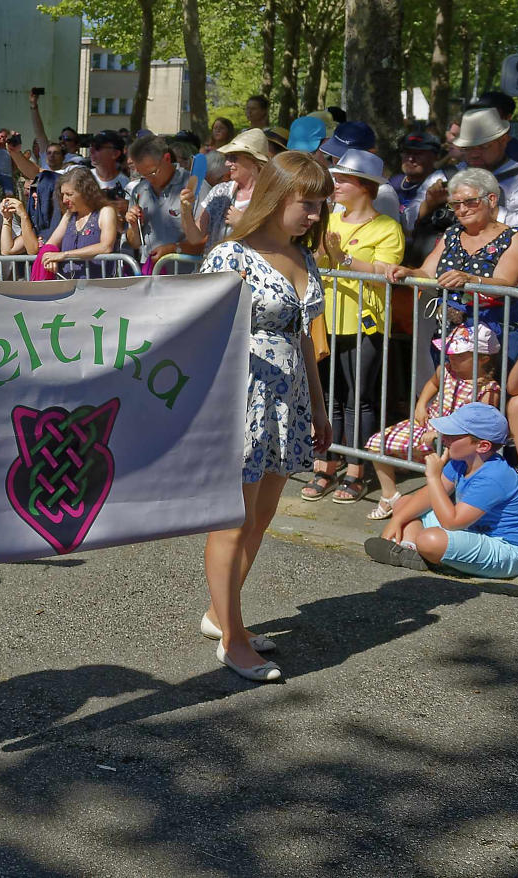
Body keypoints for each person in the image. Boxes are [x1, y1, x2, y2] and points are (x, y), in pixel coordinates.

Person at [198, 152, 333, 682]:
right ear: (279, 198)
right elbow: (199, 334)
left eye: (321, 205)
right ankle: (233, 639)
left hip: (290, 401)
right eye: (310, 204)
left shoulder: (306, 259)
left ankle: (221, 614)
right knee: (231, 520)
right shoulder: (231, 256)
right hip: (241, 399)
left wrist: (318, 409)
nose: (317, 215)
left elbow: (305, 341)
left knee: (259, 517)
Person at [302, 149, 404, 503]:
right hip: (325, 320)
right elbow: (313, 260)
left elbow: (384, 274)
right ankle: (324, 463)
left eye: (342, 179)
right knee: (327, 396)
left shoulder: (387, 227)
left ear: (364, 186)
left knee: (357, 400)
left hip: (363, 323)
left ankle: (357, 470)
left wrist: (343, 257)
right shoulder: (328, 219)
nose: (335, 185)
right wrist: (320, 252)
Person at [384, 168, 518, 389]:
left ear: (491, 199)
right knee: (452, 394)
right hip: (453, 332)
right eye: (455, 204)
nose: (461, 209)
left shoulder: (514, 237)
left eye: (469, 202)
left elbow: (508, 282)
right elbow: (427, 272)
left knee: (495, 395)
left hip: (498, 333)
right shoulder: (452, 234)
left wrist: (470, 279)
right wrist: (408, 272)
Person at [366, 403, 518, 579]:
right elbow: (430, 496)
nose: (444, 438)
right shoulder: (461, 460)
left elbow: (452, 522)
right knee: (404, 504)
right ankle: (410, 549)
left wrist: (433, 477)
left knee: (430, 540)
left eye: (453, 435)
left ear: (482, 446)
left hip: (508, 549)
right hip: (473, 530)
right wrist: (397, 520)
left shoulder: (493, 476)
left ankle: (422, 549)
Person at [355, 325, 500, 522]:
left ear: (483, 358)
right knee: (376, 443)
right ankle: (390, 496)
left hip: (456, 439)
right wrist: (421, 404)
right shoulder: (445, 370)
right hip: (429, 424)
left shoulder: (489, 389)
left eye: (459, 355)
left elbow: (480, 427)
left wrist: (445, 435)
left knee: (447, 467)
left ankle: (435, 504)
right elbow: (432, 383)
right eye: (449, 353)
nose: (451, 358)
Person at [6, 168, 122, 278]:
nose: (64, 200)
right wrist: (50, 256)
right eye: (62, 195)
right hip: (69, 289)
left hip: (98, 289)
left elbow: (106, 247)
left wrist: (64, 255)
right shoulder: (69, 215)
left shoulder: (105, 212)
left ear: (87, 192)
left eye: (69, 194)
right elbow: (50, 245)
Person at [451, 106, 518, 231]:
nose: (474, 154)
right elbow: (410, 221)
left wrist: (487, 210)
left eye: (484, 147)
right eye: (467, 148)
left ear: (504, 140)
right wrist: (428, 205)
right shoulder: (447, 175)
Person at [186, 129, 269, 247]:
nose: (227, 163)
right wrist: (185, 211)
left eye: (233, 158)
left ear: (254, 161)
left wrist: (242, 224)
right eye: (227, 157)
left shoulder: (270, 197)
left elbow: (273, 245)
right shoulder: (220, 192)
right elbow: (195, 238)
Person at [128, 135, 195, 265]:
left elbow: (207, 240)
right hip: (151, 277)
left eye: (152, 172)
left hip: (185, 279)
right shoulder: (139, 190)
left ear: (167, 158)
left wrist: (174, 249)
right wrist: (134, 227)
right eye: (143, 175)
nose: (148, 179)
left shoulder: (193, 186)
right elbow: (135, 244)